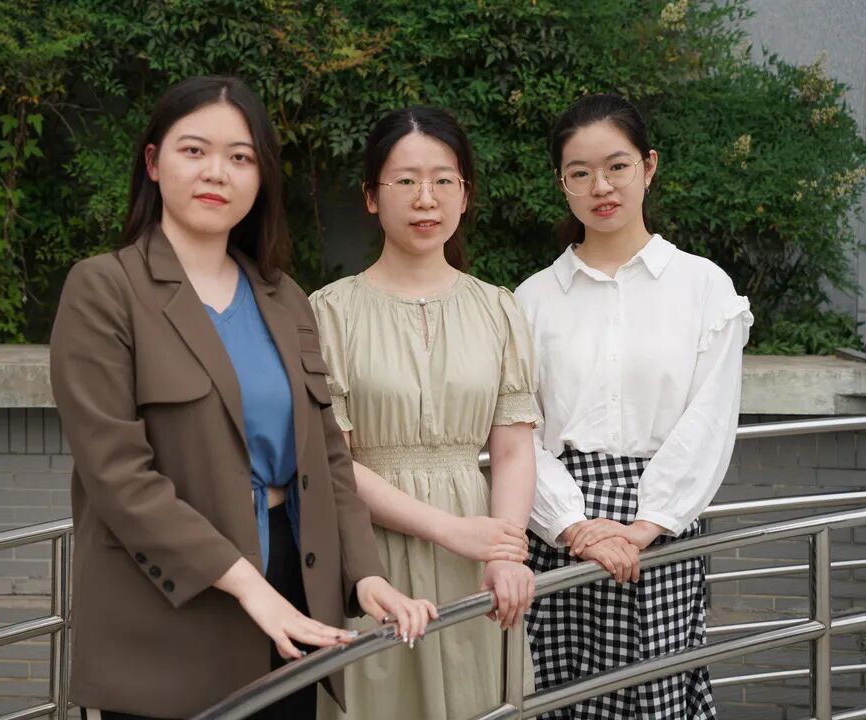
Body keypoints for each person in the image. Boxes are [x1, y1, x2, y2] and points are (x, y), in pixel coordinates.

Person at [49, 75, 436, 720]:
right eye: (194, 150)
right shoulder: (104, 289)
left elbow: (327, 459)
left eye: (241, 157)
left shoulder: (283, 297)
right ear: (153, 162)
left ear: (261, 178)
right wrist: (249, 587)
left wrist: (365, 574)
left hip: (293, 585)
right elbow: (118, 477)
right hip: (174, 602)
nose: (216, 173)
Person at [516, 93, 752, 719]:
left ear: (649, 166)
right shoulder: (531, 300)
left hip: (662, 526)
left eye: (617, 166)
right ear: (561, 183)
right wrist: (573, 525)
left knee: (658, 697)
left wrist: (645, 524)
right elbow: (516, 433)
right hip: (560, 528)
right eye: (580, 172)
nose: (601, 187)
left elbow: (710, 421)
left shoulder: (703, 287)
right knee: (559, 694)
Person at [311, 106, 540, 720]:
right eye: (406, 180)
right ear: (371, 196)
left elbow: (514, 449)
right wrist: (449, 530)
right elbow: (332, 461)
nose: (425, 198)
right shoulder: (329, 312)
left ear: (465, 194)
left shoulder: (498, 309)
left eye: (443, 180)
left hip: (477, 557)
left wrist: (503, 551)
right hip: (371, 556)